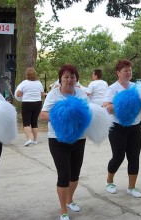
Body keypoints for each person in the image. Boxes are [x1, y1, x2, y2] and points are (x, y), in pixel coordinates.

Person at [39, 64, 88, 220]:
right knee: (64, 174)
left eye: (72, 77)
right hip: (57, 139)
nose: (69, 80)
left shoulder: (81, 94)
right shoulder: (53, 95)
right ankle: (63, 210)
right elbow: (43, 115)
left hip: (79, 138)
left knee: (75, 174)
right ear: (60, 79)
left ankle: (70, 199)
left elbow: (87, 113)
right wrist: (62, 114)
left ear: (76, 79)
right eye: (66, 77)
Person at [103, 59, 141, 198]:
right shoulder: (113, 88)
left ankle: (132, 187)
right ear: (118, 73)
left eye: (130, 70)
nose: (128, 72)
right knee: (118, 156)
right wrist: (123, 105)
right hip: (117, 128)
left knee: (134, 157)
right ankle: (109, 181)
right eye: (125, 70)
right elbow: (107, 107)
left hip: (135, 127)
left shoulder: (136, 87)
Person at [15, 67, 44, 146]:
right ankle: (35, 140)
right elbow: (42, 94)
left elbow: (18, 94)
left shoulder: (24, 83)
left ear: (26, 75)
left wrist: (24, 94)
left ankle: (28, 139)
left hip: (27, 103)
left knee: (26, 122)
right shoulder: (39, 83)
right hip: (37, 103)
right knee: (34, 122)